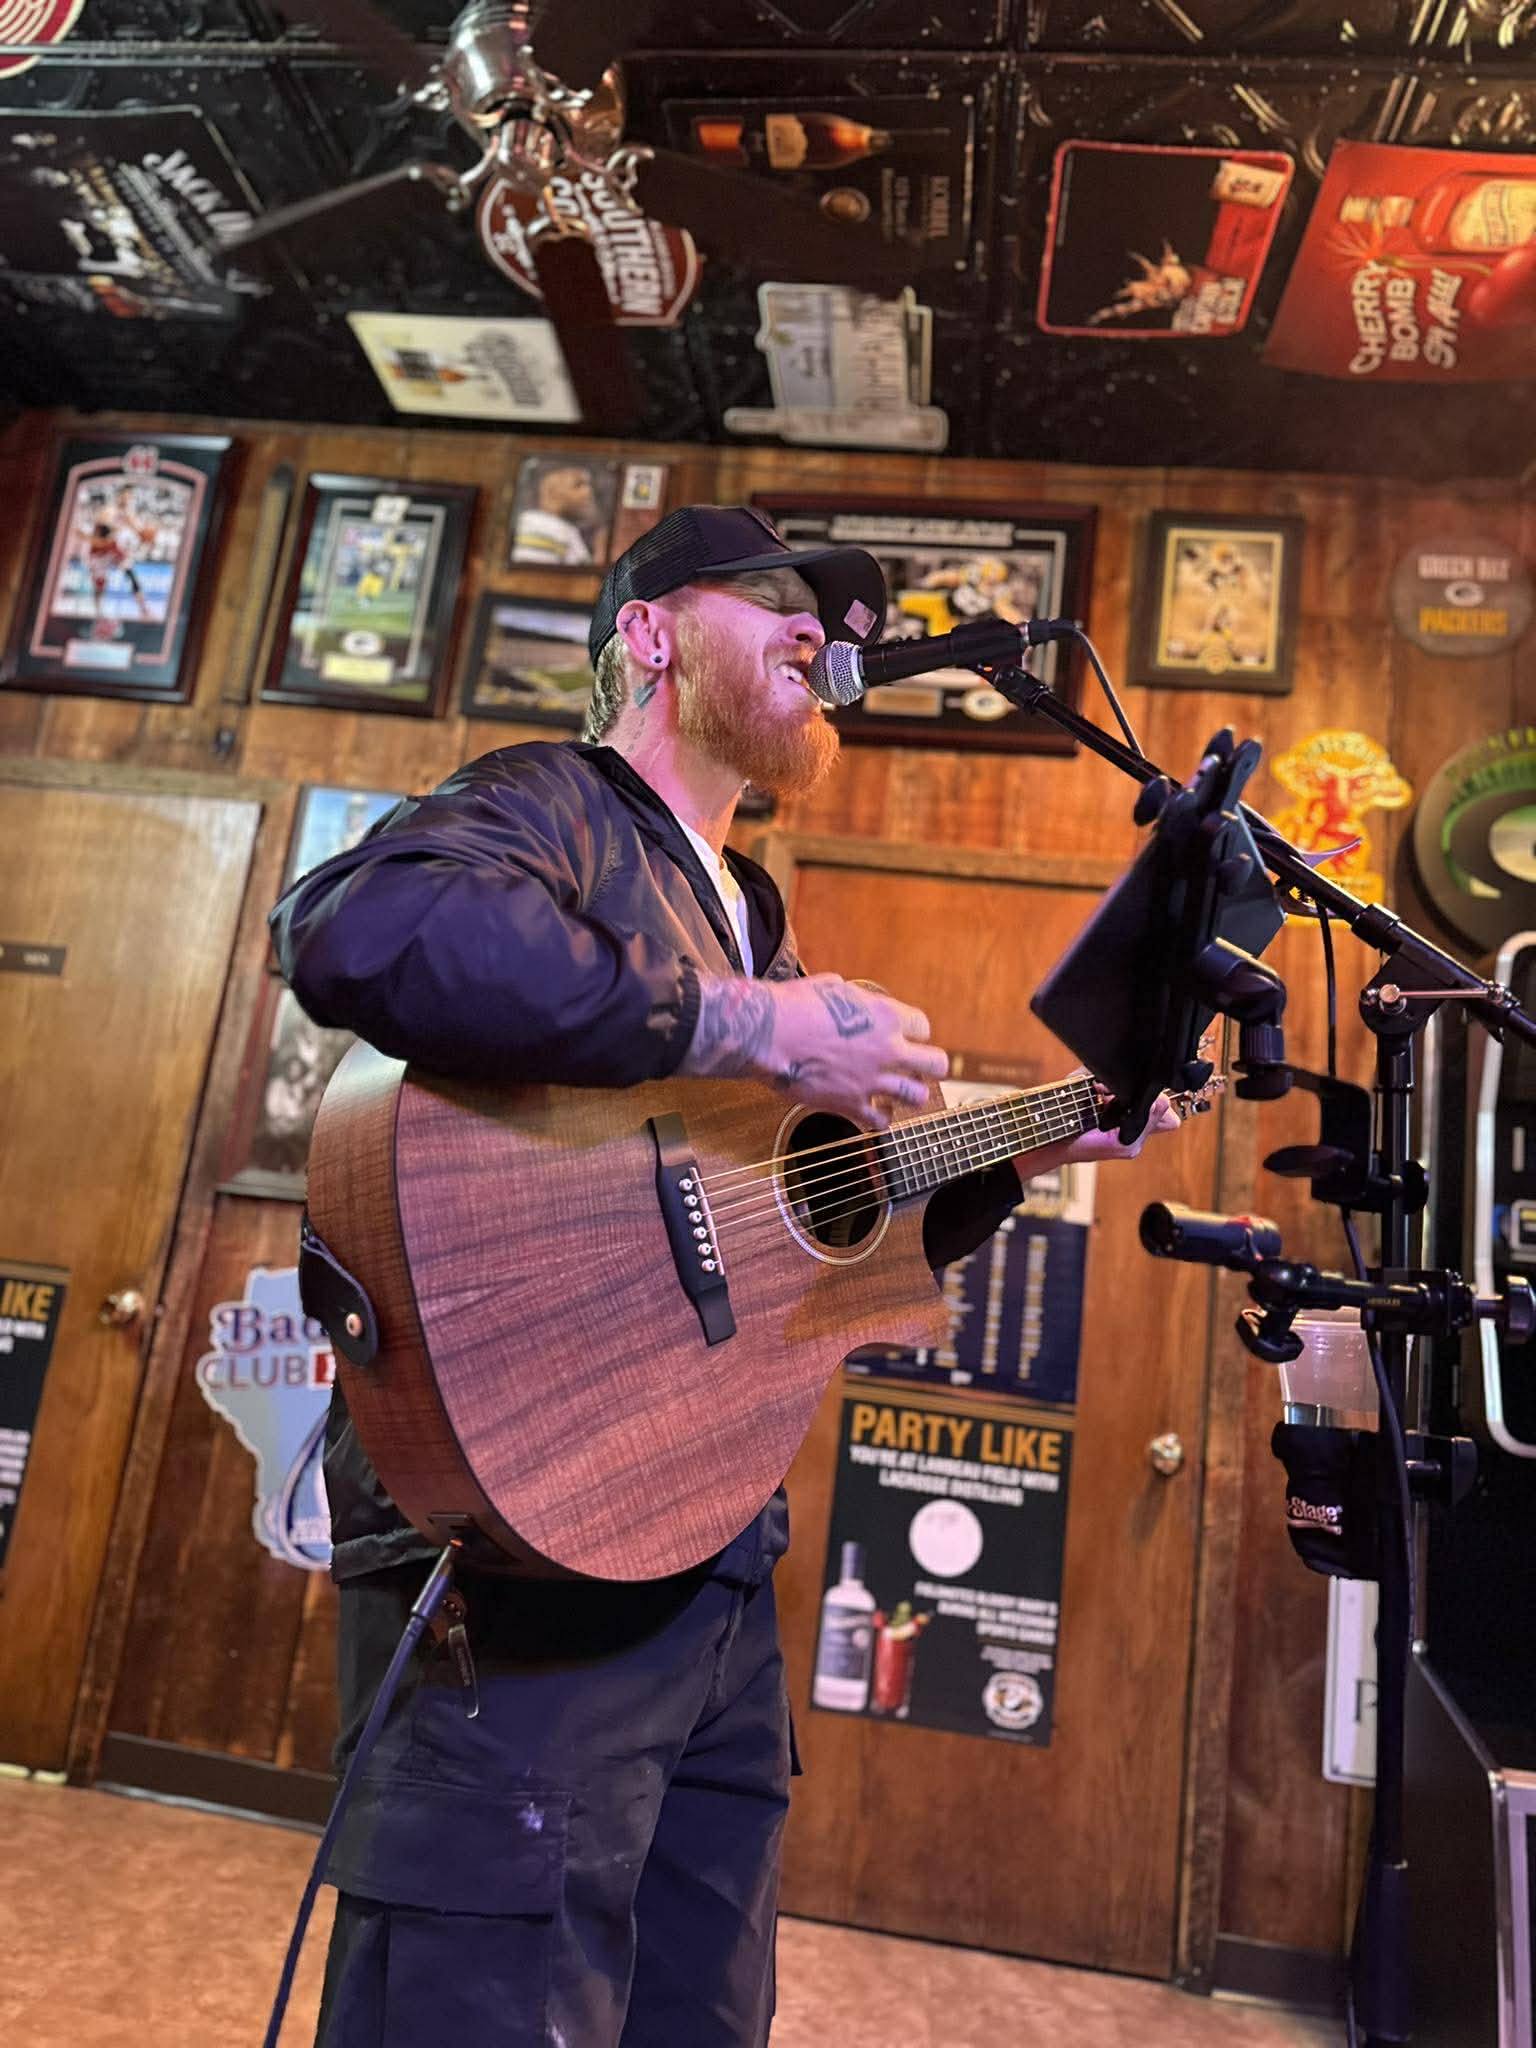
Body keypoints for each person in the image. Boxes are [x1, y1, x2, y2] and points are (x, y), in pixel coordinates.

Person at [269, 504, 1180, 2048]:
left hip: (710, 1561)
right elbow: (359, 929)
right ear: (649, 633)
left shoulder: (748, 907)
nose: (822, 634)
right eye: (776, 600)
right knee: (486, 2005)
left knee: (699, 2002)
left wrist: (1031, 1148)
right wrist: (753, 1027)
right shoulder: (558, 804)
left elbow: (797, 1234)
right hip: (531, 1543)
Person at [511, 460, 605, 566]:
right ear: (550, 492)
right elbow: (532, 575)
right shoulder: (541, 527)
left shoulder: (560, 528)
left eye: (588, 485)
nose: (588, 492)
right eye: (578, 485)